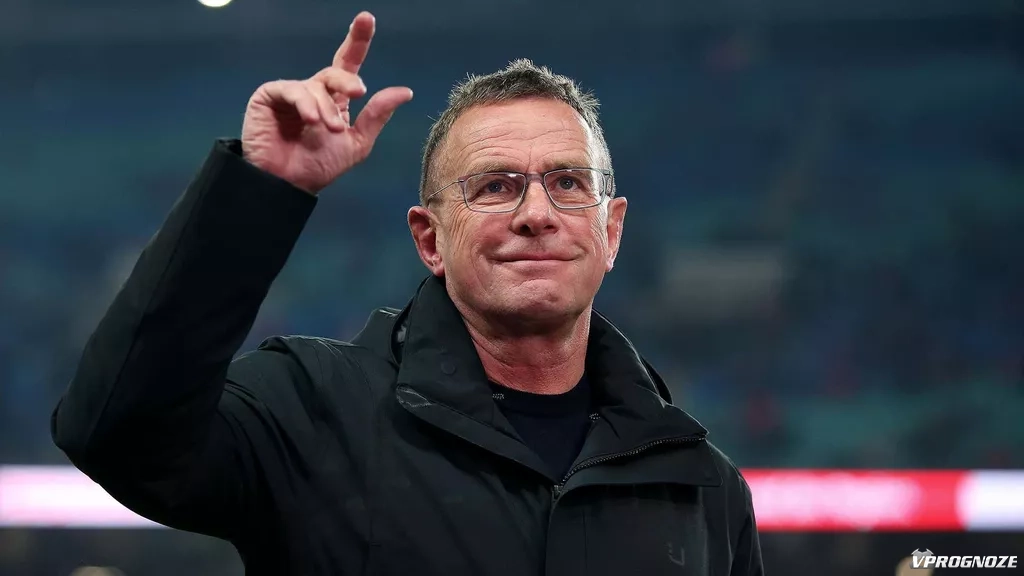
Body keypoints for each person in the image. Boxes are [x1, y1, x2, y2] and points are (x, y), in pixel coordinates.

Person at [52, 11, 764, 576]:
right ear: (430, 241)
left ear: (610, 232)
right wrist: (258, 193)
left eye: (569, 183)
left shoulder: (701, 486)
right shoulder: (311, 409)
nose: (536, 213)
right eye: (495, 186)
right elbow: (118, 437)